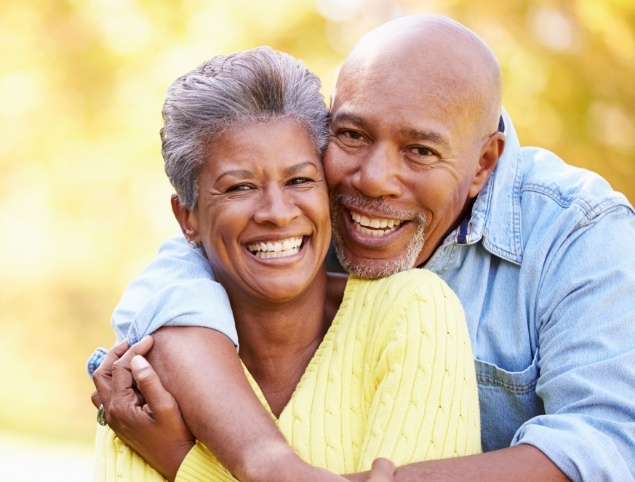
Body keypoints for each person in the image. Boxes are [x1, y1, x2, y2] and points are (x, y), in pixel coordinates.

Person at [92, 13, 635, 482]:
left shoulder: (579, 233)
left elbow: (604, 448)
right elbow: (176, 285)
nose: (373, 179)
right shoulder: (301, 194)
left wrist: (191, 463)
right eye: (353, 135)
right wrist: (268, 463)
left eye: (420, 151)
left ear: (484, 165)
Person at [90, 45, 482, 482]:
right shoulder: (145, 380)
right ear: (188, 218)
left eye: (299, 180)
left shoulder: (411, 312)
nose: (277, 212)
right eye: (240, 188)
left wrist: (184, 462)